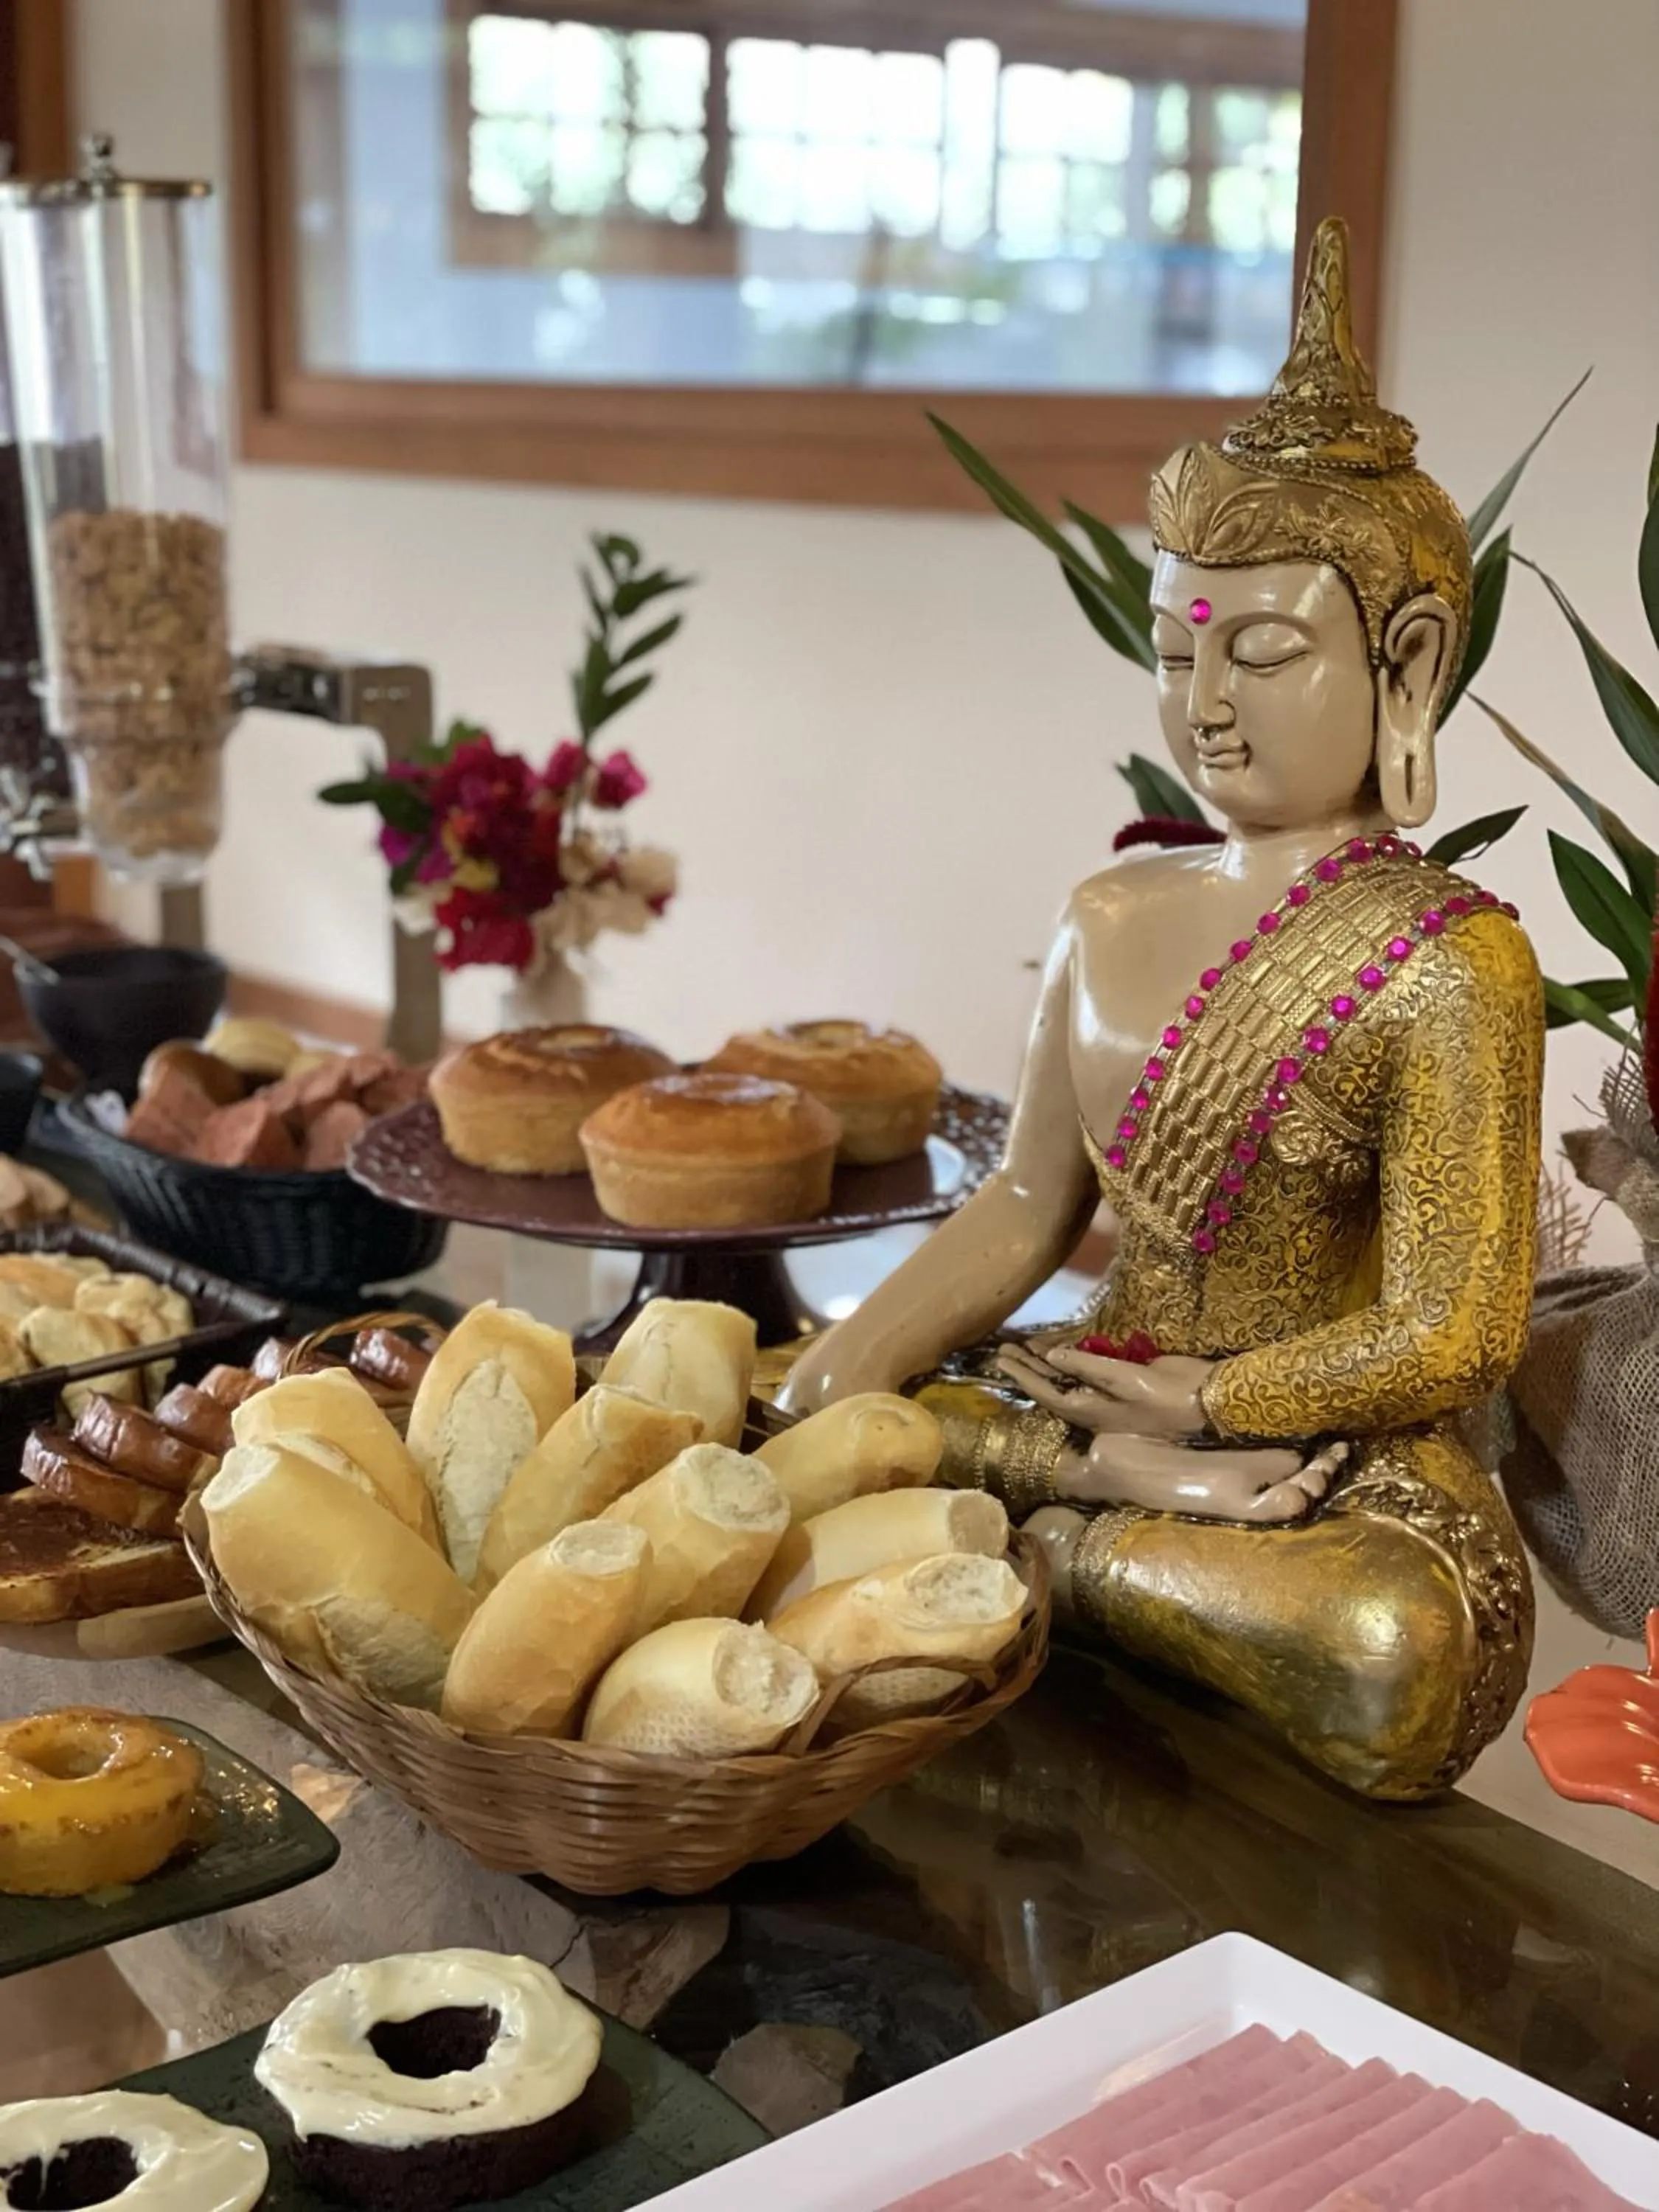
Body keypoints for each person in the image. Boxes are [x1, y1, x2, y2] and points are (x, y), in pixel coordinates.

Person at [782, 220, 1542, 1801]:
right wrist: (837, 1380)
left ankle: (1036, 1559)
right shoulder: (1110, 912)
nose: (1205, 705)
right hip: (1092, 1394)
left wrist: (1214, 1403)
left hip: (1320, 1455)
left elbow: (1452, 1331)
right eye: (1176, 648)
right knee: (788, 1404)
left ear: (1405, 664)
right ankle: (1086, 1519)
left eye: (1262, 652)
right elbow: (1023, 1205)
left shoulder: (1453, 961)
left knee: (1395, 1647)